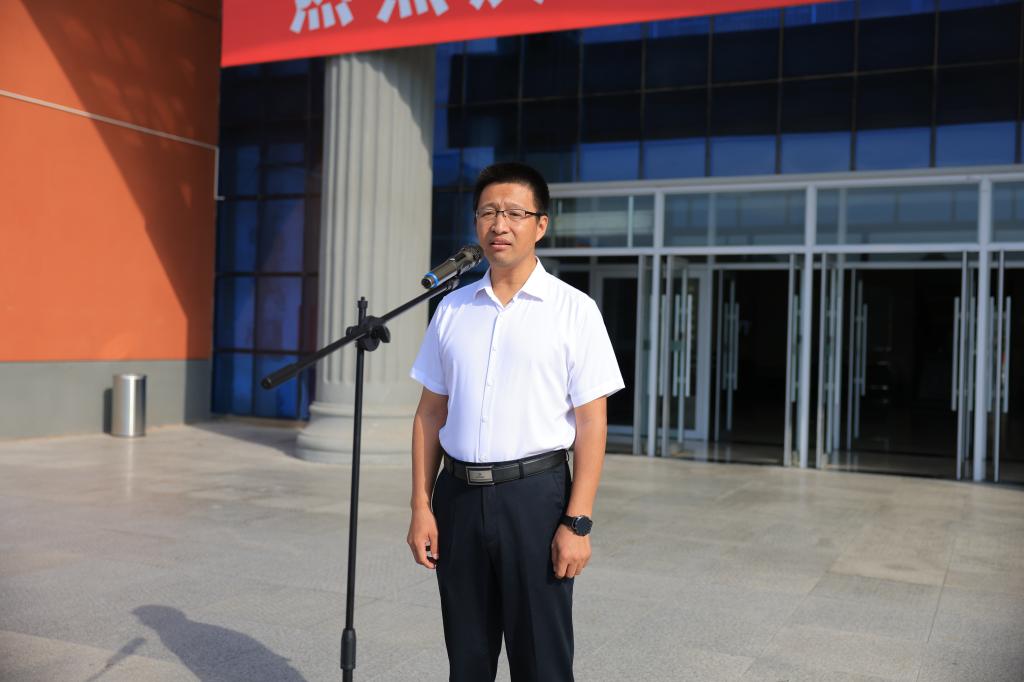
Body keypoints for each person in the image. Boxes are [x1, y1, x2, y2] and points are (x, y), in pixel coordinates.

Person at [406, 161, 624, 681]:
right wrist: (420, 506)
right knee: (467, 659)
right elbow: (430, 413)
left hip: (536, 500)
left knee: (541, 662)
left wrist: (577, 522)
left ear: (540, 225)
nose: (499, 224)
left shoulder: (574, 310)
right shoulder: (452, 309)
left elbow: (592, 424)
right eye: (487, 212)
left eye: (514, 213)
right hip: (457, 498)